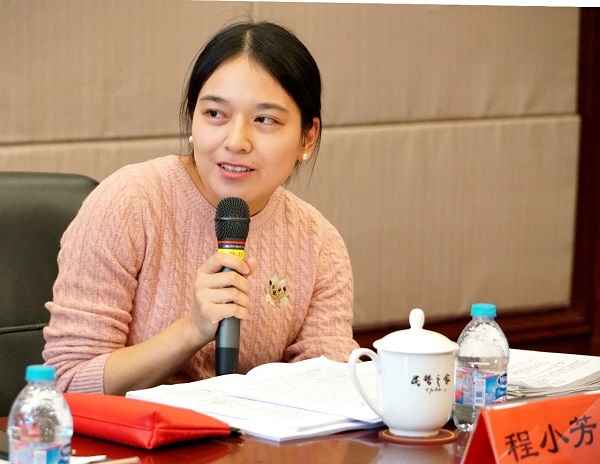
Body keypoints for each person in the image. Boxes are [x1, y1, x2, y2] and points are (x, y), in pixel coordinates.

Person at [43, 21, 359, 396]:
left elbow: (329, 388)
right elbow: (68, 383)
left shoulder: (318, 243)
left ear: (308, 137)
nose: (236, 141)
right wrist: (191, 329)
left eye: (264, 119)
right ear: (192, 119)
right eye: (215, 114)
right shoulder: (128, 204)